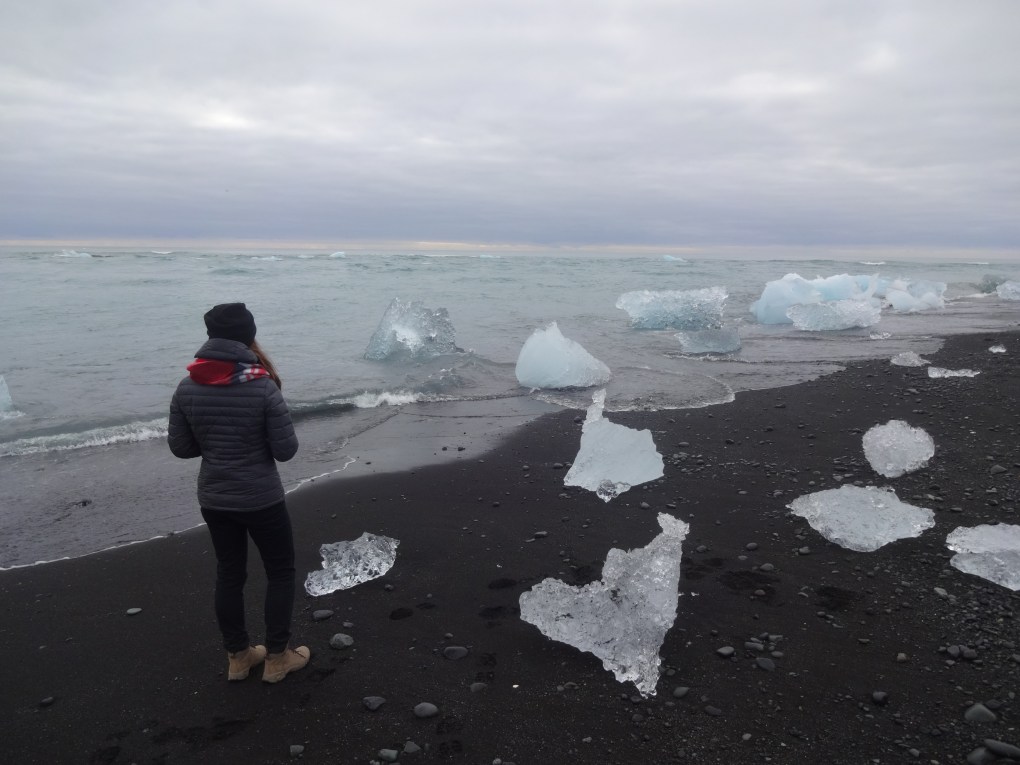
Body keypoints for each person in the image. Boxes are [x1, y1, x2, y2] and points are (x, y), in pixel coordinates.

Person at [168, 303, 310, 683]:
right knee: (280, 572)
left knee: (229, 574)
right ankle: (278, 658)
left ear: (210, 337)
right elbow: (286, 450)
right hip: (260, 496)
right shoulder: (262, 385)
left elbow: (181, 448)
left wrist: (218, 445)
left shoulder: (186, 386)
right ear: (249, 335)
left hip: (214, 497)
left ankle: (239, 657)